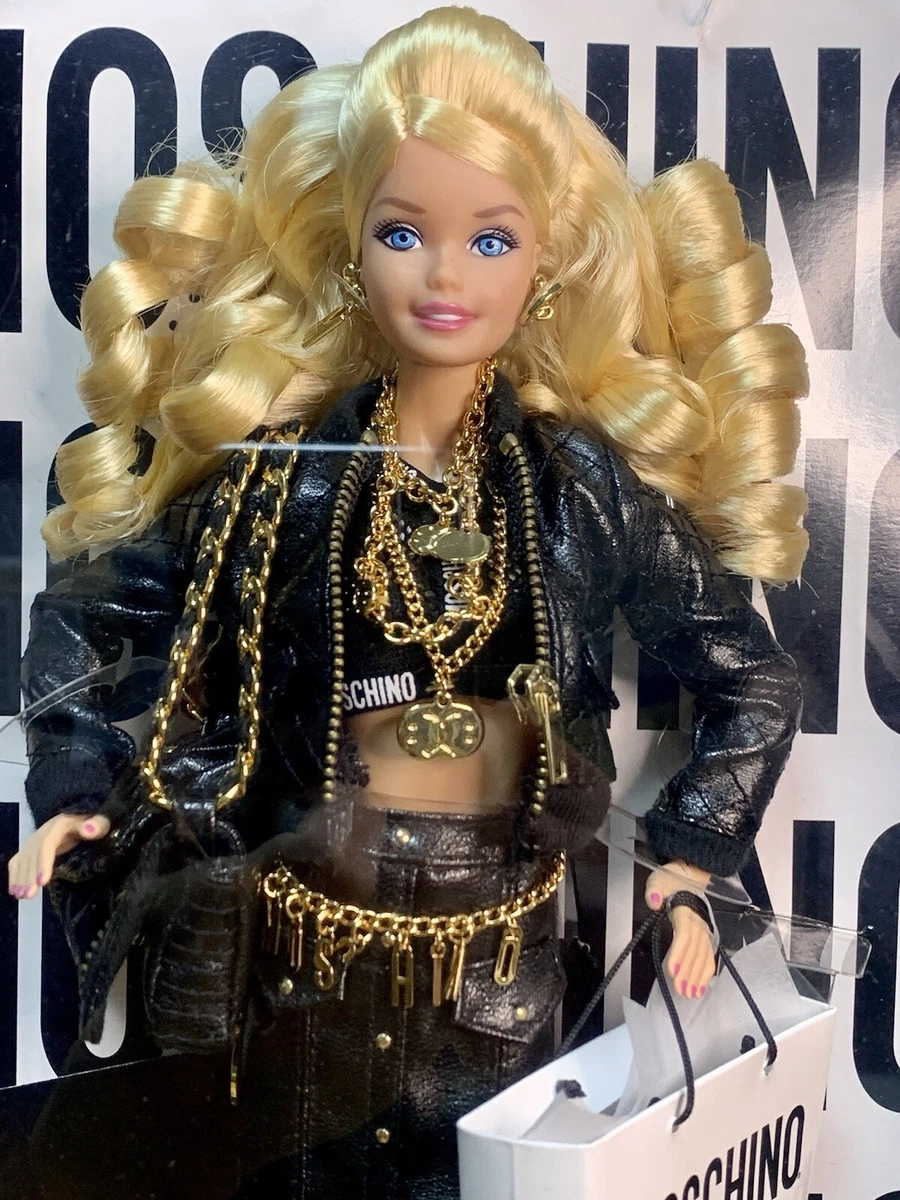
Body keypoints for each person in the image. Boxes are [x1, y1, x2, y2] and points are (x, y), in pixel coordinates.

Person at [8, 7, 807, 1197]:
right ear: (351, 252)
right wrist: (77, 789)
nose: (444, 275)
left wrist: (691, 859)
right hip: (297, 985)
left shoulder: (577, 490)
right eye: (402, 232)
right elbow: (87, 615)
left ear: (544, 266)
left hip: (498, 999)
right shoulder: (283, 482)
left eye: (491, 239)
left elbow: (752, 678)